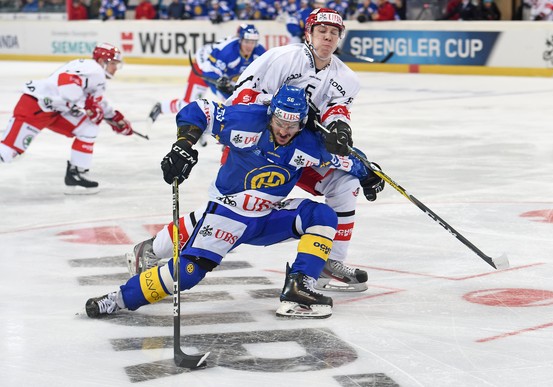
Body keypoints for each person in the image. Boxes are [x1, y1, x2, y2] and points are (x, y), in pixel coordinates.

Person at [127, 8, 385, 294]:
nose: (327, 37)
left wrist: (342, 133)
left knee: (345, 182)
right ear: (308, 33)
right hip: (258, 146)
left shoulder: (347, 79)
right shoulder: (282, 58)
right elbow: (242, 98)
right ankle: (153, 247)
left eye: (334, 33)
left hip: (300, 151)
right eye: (321, 31)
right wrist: (288, 111)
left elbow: (336, 114)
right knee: (228, 212)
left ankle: (329, 262)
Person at [87, 85, 381, 319]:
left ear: (302, 123)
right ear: (271, 115)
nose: (283, 130)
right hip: (227, 214)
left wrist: (368, 172)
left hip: (267, 216)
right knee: (187, 274)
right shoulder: (246, 121)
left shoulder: (309, 142)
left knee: (323, 215)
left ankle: (299, 287)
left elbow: (346, 159)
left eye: (292, 125)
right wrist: (183, 145)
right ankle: (119, 298)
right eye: (279, 121)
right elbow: (199, 109)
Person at [0, 43, 133, 194]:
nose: (115, 68)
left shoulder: (95, 75)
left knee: (88, 127)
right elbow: (67, 81)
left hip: (57, 111)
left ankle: (76, 176)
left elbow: (96, 102)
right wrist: (86, 105)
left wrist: (115, 118)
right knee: (7, 153)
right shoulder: (94, 69)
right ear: (102, 61)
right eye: (113, 64)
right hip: (35, 107)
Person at [147, 24, 266, 125]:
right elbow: (209, 71)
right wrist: (222, 82)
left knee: (235, 102)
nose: (250, 46)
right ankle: (162, 107)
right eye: (247, 42)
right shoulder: (227, 51)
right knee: (188, 105)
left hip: (223, 73)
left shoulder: (260, 51)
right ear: (240, 40)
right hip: (203, 68)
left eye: (253, 42)